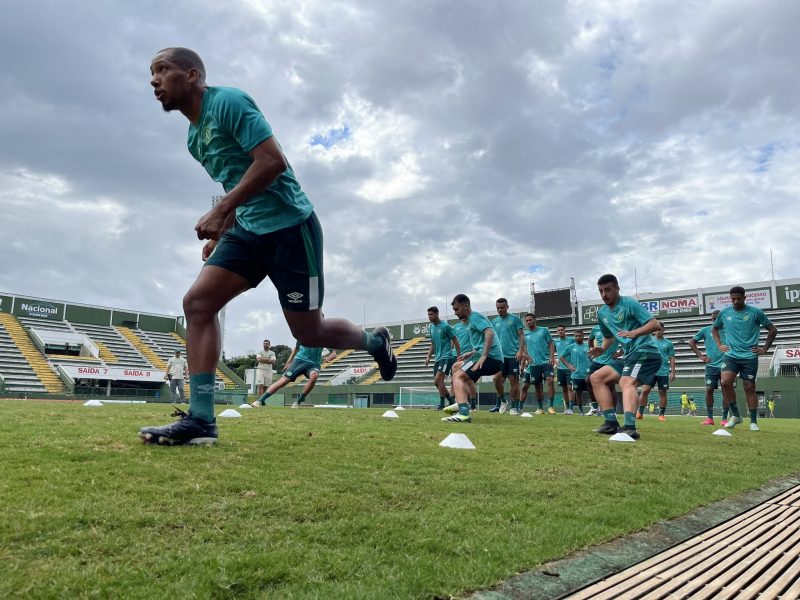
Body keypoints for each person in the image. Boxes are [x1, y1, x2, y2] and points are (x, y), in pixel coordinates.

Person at [140, 48, 396, 445]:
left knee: (310, 332)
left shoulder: (228, 102)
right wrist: (225, 230)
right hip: (248, 231)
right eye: (151, 74)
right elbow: (235, 182)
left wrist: (222, 210)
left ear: (192, 75)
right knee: (198, 303)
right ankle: (201, 419)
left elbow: (272, 161)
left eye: (162, 70)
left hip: (292, 228)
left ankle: (375, 342)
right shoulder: (194, 138)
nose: (154, 80)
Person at [589, 274, 662, 440]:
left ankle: (630, 427)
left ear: (617, 289)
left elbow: (655, 324)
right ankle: (610, 423)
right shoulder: (602, 313)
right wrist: (602, 348)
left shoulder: (629, 303)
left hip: (646, 351)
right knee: (596, 377)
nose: (604, 294)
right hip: (629, 355)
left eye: (608, 290)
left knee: (626, 381)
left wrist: (634, 333)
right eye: (600, 291)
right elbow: (609, 336)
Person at [713, 286, 778, 431]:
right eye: (733, 299)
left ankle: (753, 422)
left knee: (749, 387)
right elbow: (714, 328)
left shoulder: (755, 312)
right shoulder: (724, 313)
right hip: (731, 355)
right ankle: (736, 416)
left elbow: (773, 330)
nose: (735, 301)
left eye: (738, 298)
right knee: (725, 382)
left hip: (749, 356)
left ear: (744, 297)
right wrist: (719, 344)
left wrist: (765, 349)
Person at [443, 294, 504, 423]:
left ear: (466, 307)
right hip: (481, 357)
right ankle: (461, 402)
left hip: (491, 359)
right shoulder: (472, 320)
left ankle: (464, 412)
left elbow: (489, 333)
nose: (455, 313)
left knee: (458, 376)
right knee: (456, 366)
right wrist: (471, 353)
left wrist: (484, 355)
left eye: (456, 309)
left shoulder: (475, 317)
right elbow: (482, 342)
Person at [251, 342, 337, 408]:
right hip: (299, 361)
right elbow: (296, 348)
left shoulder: (325, 336)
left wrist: (328, 358)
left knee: (314, 376)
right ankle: (260, 401)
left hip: (313, 364)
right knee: (283, 381)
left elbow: (334, 354)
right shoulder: (303, 333)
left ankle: (298, 401)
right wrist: (289, 361)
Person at [489, 298, 527, 413]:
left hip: (512, 355)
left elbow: (521, 335)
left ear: (507, 307)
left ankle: (514, 407)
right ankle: (501, 402)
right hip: (499, 357)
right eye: (498, 308)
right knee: (496, 379)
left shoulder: (515, 319)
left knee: (513, 381)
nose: (500, 310)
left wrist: (520, 351)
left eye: (502, 307)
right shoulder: (494, 321)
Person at [689, 310, 725, 426]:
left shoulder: (729, 330)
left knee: (726, 391)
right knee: (709, 390)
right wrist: (701, 356)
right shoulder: (705, 330)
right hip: (711, 366)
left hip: (727, 365)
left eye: (716, 318)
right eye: (712, 318)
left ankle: (724, 419)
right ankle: (710, 418)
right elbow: (692, 342)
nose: (714, 320)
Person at [636, 323, 675, 422]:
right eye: (656, 329)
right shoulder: (649, 341)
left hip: (663, 371)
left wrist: (673, 372)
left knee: (662, 392)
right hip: (650, 371)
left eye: (660, 329)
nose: (658, 331)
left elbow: (672, 358)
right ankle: (640, 412)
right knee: (645, 390)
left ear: (663, 330)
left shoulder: (668, 343)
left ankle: (661, 414)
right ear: (654, 330)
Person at [424, 307, 459, 411]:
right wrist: (428, 356)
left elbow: (455, 340)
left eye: (431, 314)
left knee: (439, 379)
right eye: (428, 315)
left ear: (437, 314)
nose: (430, 317)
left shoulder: (446, 326)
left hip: (446, 357)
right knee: (437, 383)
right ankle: (451, 401)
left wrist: (459, 355)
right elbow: (433, 343)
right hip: (437, 358)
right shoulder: (431, 327)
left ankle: (442, 404)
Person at [519, 313, 555, 415]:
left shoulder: (544, 330)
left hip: (546, 361)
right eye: (527, 321)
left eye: (530, 320)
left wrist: (552, 356)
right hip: (534, 364)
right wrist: (526, 358)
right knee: (538, 386)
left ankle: (551, 406)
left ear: (535, 320)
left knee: (550, 380)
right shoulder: (525, 335)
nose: (529, 322)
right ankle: (540, 408)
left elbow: (551, 343)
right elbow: (522, 351)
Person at [586, 323, 622, 416]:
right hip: (597, 360)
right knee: (588, 380)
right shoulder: (595, 328)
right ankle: (594, 407)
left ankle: (612, 411)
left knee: (610, 386)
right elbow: (590, 340)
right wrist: (592, 350)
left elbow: (626, 342)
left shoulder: (615, 327)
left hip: (610, 361)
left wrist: (619, 353)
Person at [449, 316, 479, 411]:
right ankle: (452, 403)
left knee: (469, 380)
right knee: (453, 380)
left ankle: (473, 404)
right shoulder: (456, 327)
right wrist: (451, 351)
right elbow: (453, 341)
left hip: (468, 356)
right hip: (456, 355)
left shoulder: (472, 326)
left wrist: (473, 352)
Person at [559, 329, 590, 415]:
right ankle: (580, 411)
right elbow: (561, 357)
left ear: (583, 336)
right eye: (576, 336)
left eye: (579, 336)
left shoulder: (587, 346)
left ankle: (595, 409)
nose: (577, 337)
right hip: (576, 375)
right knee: (578, 393)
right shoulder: (571, 347)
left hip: (587, 374)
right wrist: (568, 366)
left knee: (591, 392)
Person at [553, 326, 575, 413]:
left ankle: (571, 408)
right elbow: (550, 351)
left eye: (562, 330)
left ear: (565, 330)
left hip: (569, 367)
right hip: (560, 368)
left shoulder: (571, 340)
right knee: (564, 389)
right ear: (557, 332)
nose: (560, 331)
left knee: (570, 388)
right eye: (558, 330)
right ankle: (566, 408)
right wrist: (555, 360)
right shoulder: (555, 341)